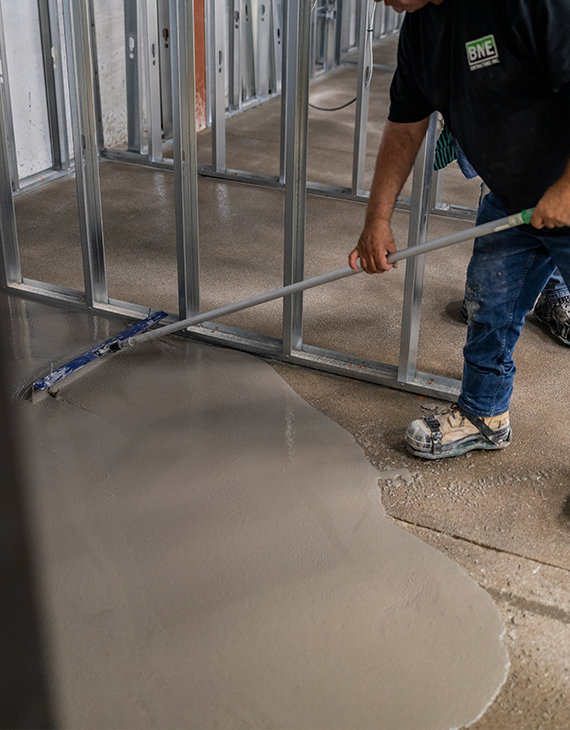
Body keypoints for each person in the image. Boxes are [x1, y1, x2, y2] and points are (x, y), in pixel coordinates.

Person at [349, 0, 570, 459]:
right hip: (514, 199)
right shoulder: (420, 31)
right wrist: (377, 220)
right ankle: (485, 413)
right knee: (490, 303)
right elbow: (406, 127)